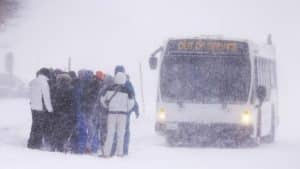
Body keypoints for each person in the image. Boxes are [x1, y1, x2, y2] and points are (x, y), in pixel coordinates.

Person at [101, 71, 135, 157]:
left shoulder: (109, 88)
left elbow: (102, 99)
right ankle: (120, 153)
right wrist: (126, 110)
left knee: (110, 134)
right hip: (123, 114)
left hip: (111, 113)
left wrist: (107, 107)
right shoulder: (128, 90)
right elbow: (131, 103)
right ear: (124, 79)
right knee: (121, 134)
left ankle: (106, 153)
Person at [111, 65, 139, 156]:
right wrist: (135, 109)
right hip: (125, 111)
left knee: (114, 130)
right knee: (124, 131)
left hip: (114, 111)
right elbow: (133, 97)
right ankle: (124, 150)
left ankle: (114, 149)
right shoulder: (128, 83)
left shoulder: (113, 82)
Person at [28, 68, 54, 149]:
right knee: (40, 127)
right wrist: (50, 109)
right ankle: (37, 144)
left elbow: (30, 95)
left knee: (34, 125)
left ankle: (31, 143)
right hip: (41, 108)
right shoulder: (44, 83)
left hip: (33, 107)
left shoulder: (32, 82)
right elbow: (46, 98)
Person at [52, 74, 76, 152]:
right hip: (66, 113)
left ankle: (54, 145)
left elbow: (53, 100)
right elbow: (72, 102)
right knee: (65, 131)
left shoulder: (55, 88)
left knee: (56, 129)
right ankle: (61, 146)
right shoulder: (71, 89)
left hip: (56, 112)